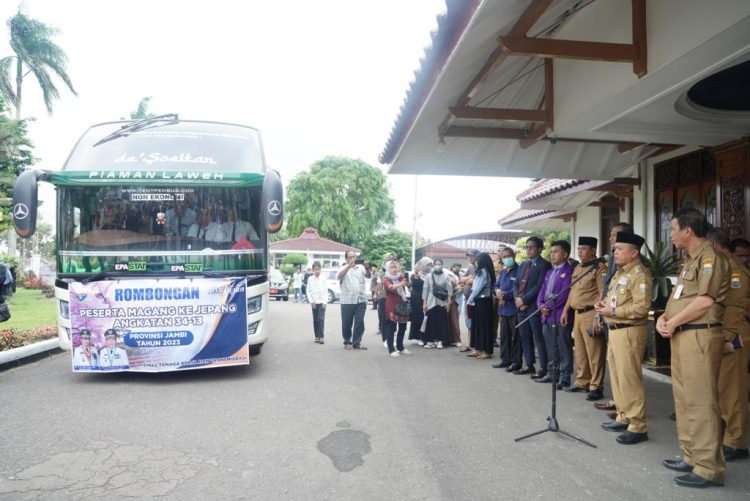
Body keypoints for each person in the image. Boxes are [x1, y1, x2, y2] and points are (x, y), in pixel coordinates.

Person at [656, 208, 730, 488]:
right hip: (683, 333)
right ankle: (691, 456)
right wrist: (664, 317)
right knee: (685, 399)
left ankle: (709, 468)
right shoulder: (689, 260)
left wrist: (672, 321)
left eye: (673, 229)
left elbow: (705, 301)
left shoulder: (710, 258)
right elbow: (681, 297)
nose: (671, 234)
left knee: (701, 402)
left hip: (699, 335)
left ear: (688, 231)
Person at [595, 231, 652, 446]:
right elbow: (614, 300)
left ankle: (638, 426)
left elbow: (641, 307)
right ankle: (624, 415)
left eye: (620, 249)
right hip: (616, 330)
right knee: (618, 377)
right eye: (615, 248)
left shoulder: (640, 274)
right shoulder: (620, 273)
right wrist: (603, 307)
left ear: (634, 252)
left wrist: (614, 312)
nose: (614, 252)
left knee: (630, 379)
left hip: (629, 330)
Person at [707, 228, 750, 462]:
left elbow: (735, 309)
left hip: (734, 339)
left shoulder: (734, 272)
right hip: (723, 336)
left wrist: (728, 339)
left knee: (733, 391)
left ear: (713, 245)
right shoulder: (723, 267)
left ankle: (736, 441)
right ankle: (726, 436)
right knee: (722, 390)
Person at [561, 236, 608, 401]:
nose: (580, 252)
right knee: (580, 351)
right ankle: (583, 381)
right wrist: (566, 310)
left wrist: (598, 316)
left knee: (595, 352)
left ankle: (596, 386)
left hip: (590, 313)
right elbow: (572, 292)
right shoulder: (579, 268)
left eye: (583, 249)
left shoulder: (599, 268)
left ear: (593, 251)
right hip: (577, 314)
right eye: (579, 248)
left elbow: (603, 293)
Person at [593, 222, 633, 413]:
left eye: (614, 235)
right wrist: (599, 313)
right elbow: (608, 289)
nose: (610, 239)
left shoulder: (634, 268)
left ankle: (628, 411)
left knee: (626, 372)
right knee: (615, 366)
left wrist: (611, 312)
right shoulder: (611, 262)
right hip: (610, 316)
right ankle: (619, 404)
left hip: (625, 323)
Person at [535, 240, 574, 389]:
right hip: (546, 315)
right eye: (551, 252)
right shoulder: (549, 272)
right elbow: (542, 291)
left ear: (565, 254)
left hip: (560, 316)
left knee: (563, 347)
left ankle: (564, 377)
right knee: (550, 347)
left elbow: (565, 295)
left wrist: (547, 306)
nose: (552, 254)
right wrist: (540, 306)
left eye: (556, 251)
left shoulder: (569, 272)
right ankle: (552, 374)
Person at [512, 237, 551, 377]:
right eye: (526, 247)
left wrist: (524, 300)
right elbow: (516, 284)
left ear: (540, 249)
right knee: (525, 337)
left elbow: (539, 286)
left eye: (531, 247)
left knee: (538, 337)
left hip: (533, 306)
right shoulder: (523, 264)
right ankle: (529, 365)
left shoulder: (544, 265)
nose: (528, 250)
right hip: (520, 306)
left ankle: (544, 368)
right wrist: (517, 299)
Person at [337, 250, 370, 350]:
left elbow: (368, 276)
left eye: (354, 257)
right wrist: (348, 266)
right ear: (346, 259)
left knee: (359, 322)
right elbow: (339, 276)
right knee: (347, 322)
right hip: (347, 300)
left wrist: (367, 267)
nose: (353, 259)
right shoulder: (342, 267)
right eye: (351, 257)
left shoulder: (361, 267)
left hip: (361, 299)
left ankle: (357, 342)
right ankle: (347, 341)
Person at [466, 252, 496, 359]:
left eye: (478, 259)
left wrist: (469, 300)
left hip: (482, 301)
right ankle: (478, 349)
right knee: (478, 326)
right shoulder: (485, 271)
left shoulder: (483, 272)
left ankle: (486, 351)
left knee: (483, 326)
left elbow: (476, 288)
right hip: (482, 302)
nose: (476, 261)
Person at [493, 248, 519, 370]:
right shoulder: (503, 272)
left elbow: (517, 289)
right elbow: (496, 286)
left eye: (509, 256)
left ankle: (515, 362)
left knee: (515, 338)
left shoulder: (519, 271)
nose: (507, 258)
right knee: (504, 336)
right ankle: (505, 359)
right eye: (504, 257)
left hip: (514, 309)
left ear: (514, 256)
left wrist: (504, 296)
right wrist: (497, 291)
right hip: (503, 310)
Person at [422, 259, 453, 349]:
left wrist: (449, 302)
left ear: (442, 265)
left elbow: (449, 289)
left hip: (442, 301)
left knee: (441, 322)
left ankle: (440, 341)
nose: (438, 266)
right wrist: (424, 302)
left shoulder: (446, 276)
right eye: (436, 264)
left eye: (439, 264)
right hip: (431, 301)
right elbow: (425, 289)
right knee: (430, 321)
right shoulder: (429, 276)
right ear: (433, 265)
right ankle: (430, 340)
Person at [383, 260, 410, 357]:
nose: (394, 269)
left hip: (402, 305)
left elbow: (409, 285)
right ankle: (391, 349)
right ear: (387, 269)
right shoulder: (386, 278)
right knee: (391, 328)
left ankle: (400, 347)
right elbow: (390, 287)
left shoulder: (400, 276)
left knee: (403, 327)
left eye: (395, 267)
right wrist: (401, 284)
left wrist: (407, 281)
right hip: (392, 306)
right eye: (392, 267)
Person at [459, 249, 479, 352]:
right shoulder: (470, 267)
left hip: (475, 300)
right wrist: (468, 279)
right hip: (467, 299)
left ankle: (474, 345)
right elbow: (461, 280)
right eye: (469, 256)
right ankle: (470, 344)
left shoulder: (480, 267)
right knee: (469, 322)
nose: (470, 258)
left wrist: (468, 279)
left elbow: (475, 280)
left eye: (472, 256)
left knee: (474, 322)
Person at [408, 257, 432, 345]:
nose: (429, 267)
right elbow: (413, 285)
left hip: (427, 298)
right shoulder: (415, 275)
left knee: (426, 317)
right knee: (418, 317)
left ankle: (425, 336)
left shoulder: (431, 274)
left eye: (430, 265)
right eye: (428, 264)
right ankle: (419, 337)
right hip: (416, 299)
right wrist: (416, 273)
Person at [306, 261, 328, 344]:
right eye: (316, 269)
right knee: (315, 320)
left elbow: (326, 291)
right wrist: (311, 302)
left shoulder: (323, 278)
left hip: (322, 302)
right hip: (314, 302)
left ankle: (321, 336)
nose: (317, 271)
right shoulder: (310, 279)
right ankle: (317, 336)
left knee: (321, 319)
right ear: (313, 270)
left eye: (319, 269)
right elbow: (308, 291)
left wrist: (325, 302)